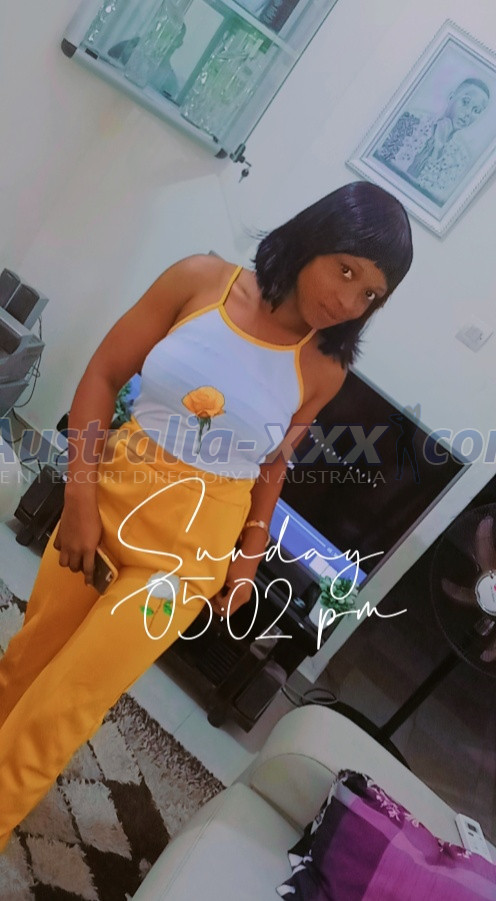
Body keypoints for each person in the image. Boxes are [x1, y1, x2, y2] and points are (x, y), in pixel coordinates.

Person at [0, 180, 413, 851]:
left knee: (68, 702)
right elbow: (103, 374)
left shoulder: (323, 369)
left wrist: (245, 564)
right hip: (110, 492)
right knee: (27, 661)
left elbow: (272, 466)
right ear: (314, 237)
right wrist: (77, 499)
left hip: (189, 554)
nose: (348, 300)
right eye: (346, 270)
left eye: (369, 294)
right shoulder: (199, 280)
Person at [375, 78, 490, 204]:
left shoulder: (459, 159)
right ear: (451, 97)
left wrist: (438, 148)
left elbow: (430, 200)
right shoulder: (411, 120)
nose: (468, 113)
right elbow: (378, 164)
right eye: (465, 102)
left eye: (476, 111)